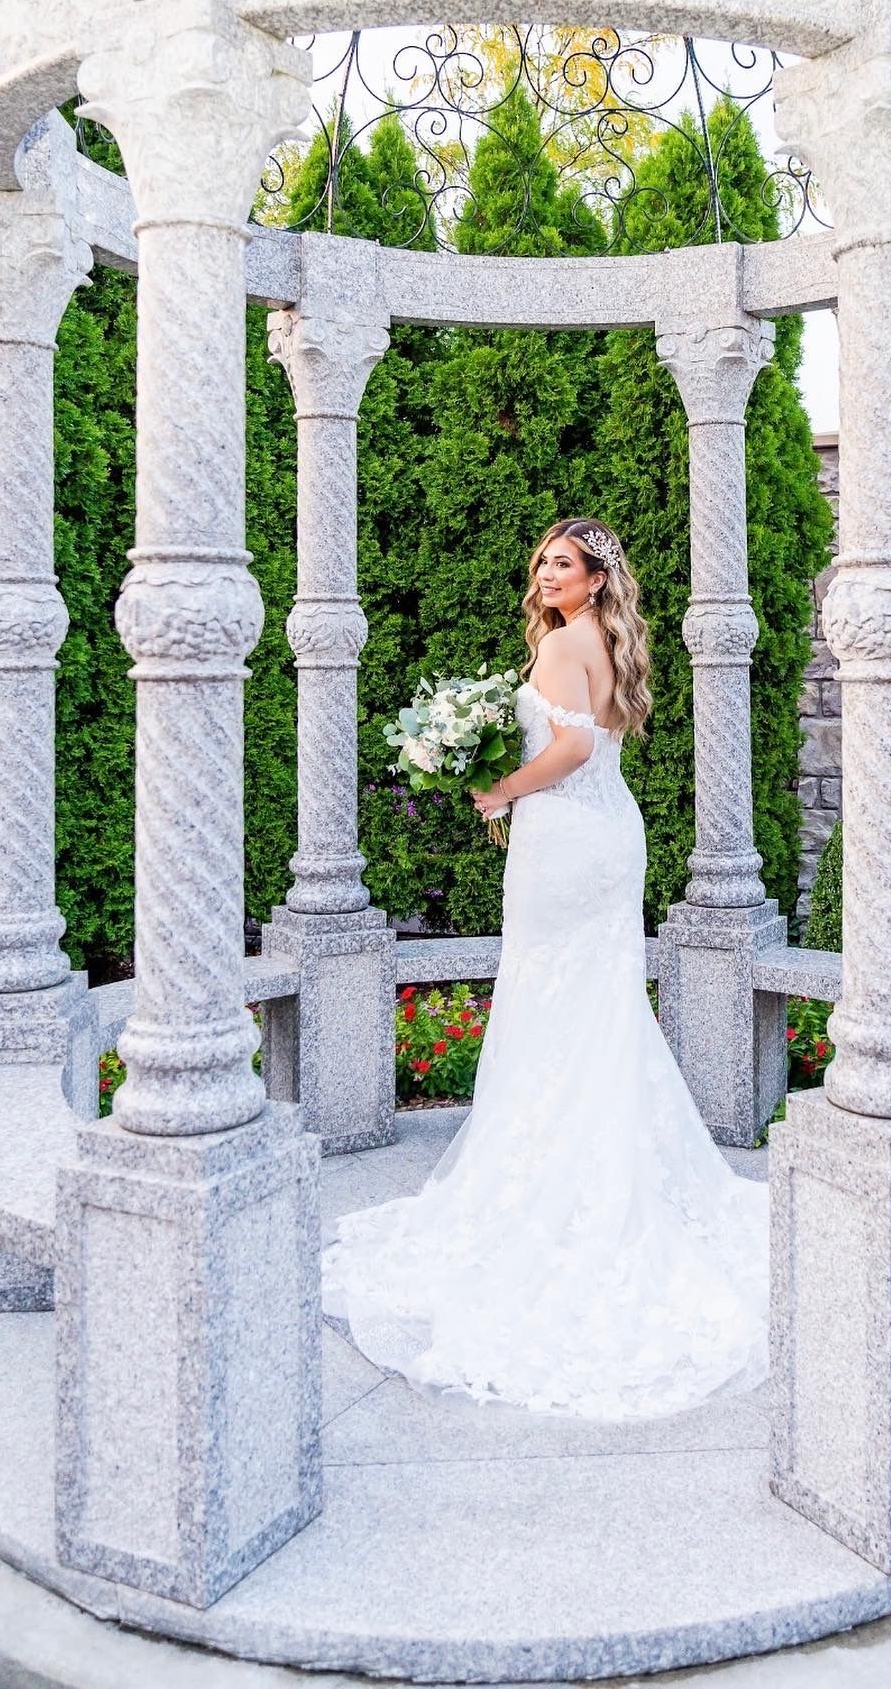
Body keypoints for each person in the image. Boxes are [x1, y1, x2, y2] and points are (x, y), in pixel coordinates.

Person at [321, 519, 769, 1421]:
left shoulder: (567, 641)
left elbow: (565, 753)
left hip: (565, 837)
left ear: (598, 579)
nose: (547, 574)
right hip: (606, 833)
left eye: (563, 564)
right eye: (542, 562)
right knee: (594, 1005)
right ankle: (604, 1160)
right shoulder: (601, 641)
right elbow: (589, 747)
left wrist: (496, 789)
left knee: (552, 1000)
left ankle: (560, 1186)